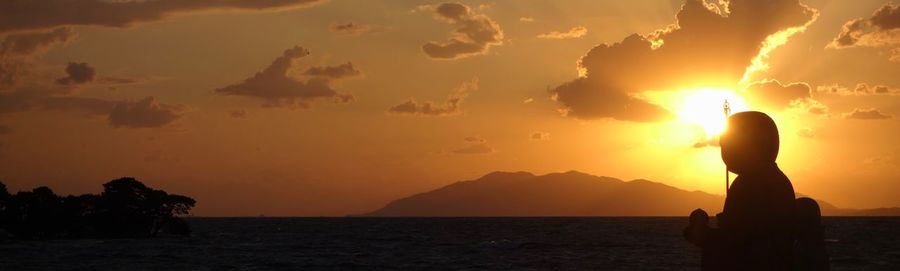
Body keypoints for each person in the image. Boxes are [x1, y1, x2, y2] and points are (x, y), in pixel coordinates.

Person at [685, 111, 796, 270]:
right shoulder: (766, 179)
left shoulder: (753, 184)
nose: (724, 151)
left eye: (728, 143)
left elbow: (740, 238)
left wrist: (706, 236)